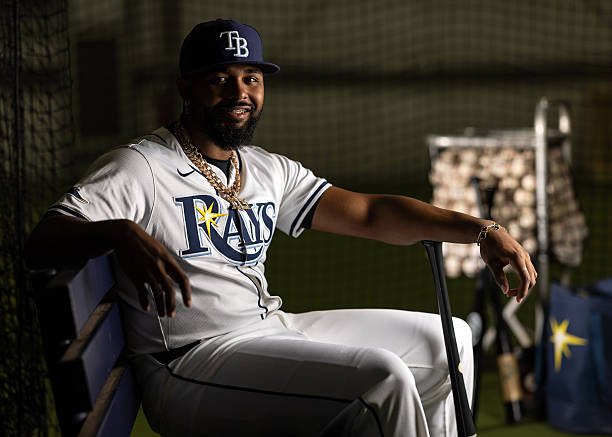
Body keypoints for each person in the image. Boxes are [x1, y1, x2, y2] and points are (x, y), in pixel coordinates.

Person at [25, 19, 536, 437]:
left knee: (449, 340)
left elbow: (369, 213)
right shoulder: (141, 167)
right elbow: (43, 240)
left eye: (251, 78)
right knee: (383, 381)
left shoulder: (265, 169)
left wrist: (482, 230)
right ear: (186, 87)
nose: (239, 92)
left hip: (267, 329)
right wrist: (116, 233)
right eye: (220, 78)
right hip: (189, 363)